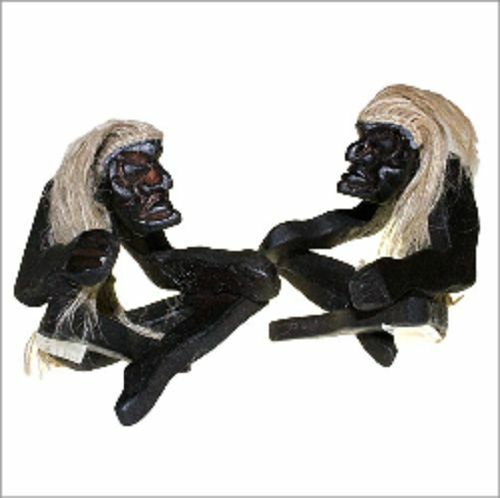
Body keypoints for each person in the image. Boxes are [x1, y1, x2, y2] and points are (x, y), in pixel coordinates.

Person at [15, 120, 280, 425]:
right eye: (137, 170)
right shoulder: (64, 194)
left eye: (155, 165)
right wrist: (68, 260)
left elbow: (160, 269)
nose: (162, 179)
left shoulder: (120, 201)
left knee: (257, 284)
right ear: (106, 175)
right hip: (73, 335)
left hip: (118, 332)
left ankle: (157, 364)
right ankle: (164, 361)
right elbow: (27, 292)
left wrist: (236, 269)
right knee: (241, 294)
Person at [261, 85, 479, 367]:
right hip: (389, 286)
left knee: (371, 285)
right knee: (282, 248)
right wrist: (290, 236)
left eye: (377, 145)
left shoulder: (447, 180)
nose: (355, 153)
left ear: (415, 149)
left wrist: (399, 275)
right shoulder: (406, 175)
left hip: (419, 282)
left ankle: (374, 317)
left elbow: (461, 267)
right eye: (362, 141)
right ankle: (371, 328)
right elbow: (360, 220)